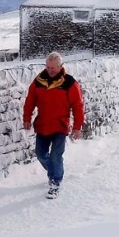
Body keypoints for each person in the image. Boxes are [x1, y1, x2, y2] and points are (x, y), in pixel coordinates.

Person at [23, 51, 85, 199]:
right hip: (42, 125)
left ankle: (55, 182)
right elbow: (30, 100)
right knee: (40, 154)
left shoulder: (69, 83)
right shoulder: (39, 81)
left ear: (60, 66)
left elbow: (78, 106)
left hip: (60, 126)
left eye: (53, 68)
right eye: (48, 67)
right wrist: (26, 117)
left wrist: (77, 126)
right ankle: (54, 172)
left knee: (56, 156)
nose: (50, 70)